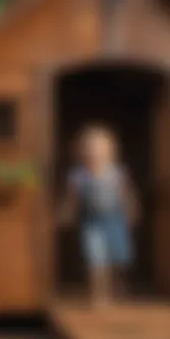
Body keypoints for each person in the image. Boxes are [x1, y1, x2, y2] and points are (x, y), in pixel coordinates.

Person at [59, 122, 139, 309]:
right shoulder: (77, 176)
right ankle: (98, 295)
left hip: (115, 220)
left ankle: (118, 287)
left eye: (98, 148)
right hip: (91, 222)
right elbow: (72, 200)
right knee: (95, 258)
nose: (93, 153)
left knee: (118, 257)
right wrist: (65, 214)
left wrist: (132, 210)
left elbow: (126, 195)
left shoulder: (117, 173)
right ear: (80, 151)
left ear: (109, 150)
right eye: (89, 148)